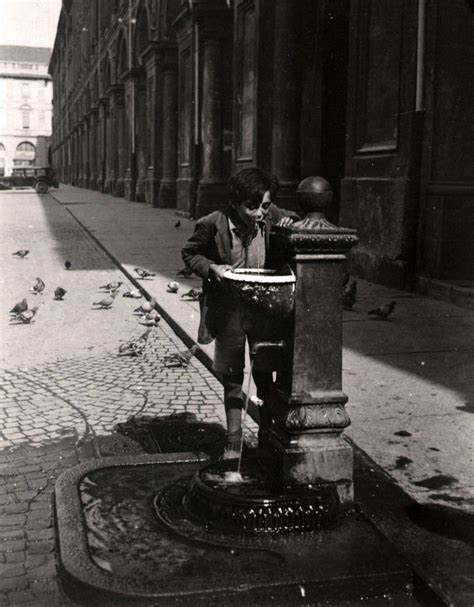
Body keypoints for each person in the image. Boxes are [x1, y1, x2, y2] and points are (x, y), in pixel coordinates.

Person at [181, 167, 297, 458]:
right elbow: (190, 253)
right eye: (252, 206)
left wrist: (288, 221)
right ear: (234, 202)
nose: (259, 213)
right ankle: (234, 441)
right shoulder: (212, 224)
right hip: (229, 311)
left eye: (265, 205)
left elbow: (294, 219)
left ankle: (267, 429)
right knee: (232, 377)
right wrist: (212, 268)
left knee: (265, 371)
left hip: (264, 309)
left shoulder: (271, 216)